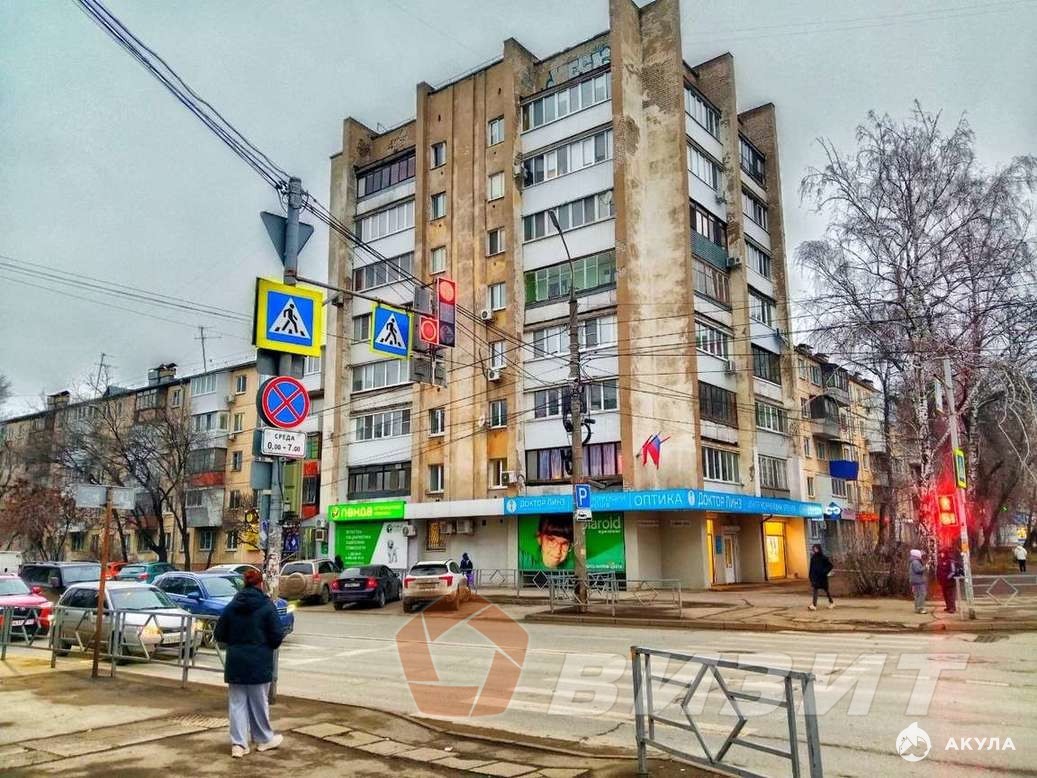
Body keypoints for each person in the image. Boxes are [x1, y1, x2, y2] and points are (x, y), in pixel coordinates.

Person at [213, 568, 285, 758]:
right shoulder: (266, 606)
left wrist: (235, 643)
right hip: (259, 661)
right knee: (259, 703)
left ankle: (239, 745)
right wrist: (266, 646)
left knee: (237, 704)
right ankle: (263, 739)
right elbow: (277, 635)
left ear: (244, 584)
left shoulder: (232, 605)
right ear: (261, 584)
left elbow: (219, 634)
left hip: (236, 661)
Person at [807, 544, 835, 610]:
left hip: (822, 578)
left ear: (819, 549)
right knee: (815, 590)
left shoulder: (823, 557)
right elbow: (811, 567)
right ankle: (814, 605)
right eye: (814, 549)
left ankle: (831, 602)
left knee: (826, 590)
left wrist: (824, 572)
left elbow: (830, 566)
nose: (815, 550)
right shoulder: (813, 558)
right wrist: (810, 575)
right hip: (815, 577)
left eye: (816, 548)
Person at [936, 548, 958, 614]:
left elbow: (953, 571)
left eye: (942, 553)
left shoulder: (951, 561)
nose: (941, 554)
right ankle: (948, 606)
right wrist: (939, 579)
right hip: (943, 582)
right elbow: (938, 571)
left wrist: (947, 577)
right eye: (940, 553)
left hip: (950, 582)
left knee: (951, 595)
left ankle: (952, 608)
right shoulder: (940, 561)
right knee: (945, 595)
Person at [909, 549, 928, 614]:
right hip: (918, 581)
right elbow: (918, 570)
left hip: (915, 581)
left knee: (917, 595)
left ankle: (917, 608)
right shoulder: (916, 562)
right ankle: (920, 608)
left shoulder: (913, 561)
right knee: (922, 594)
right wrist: (925, 567)